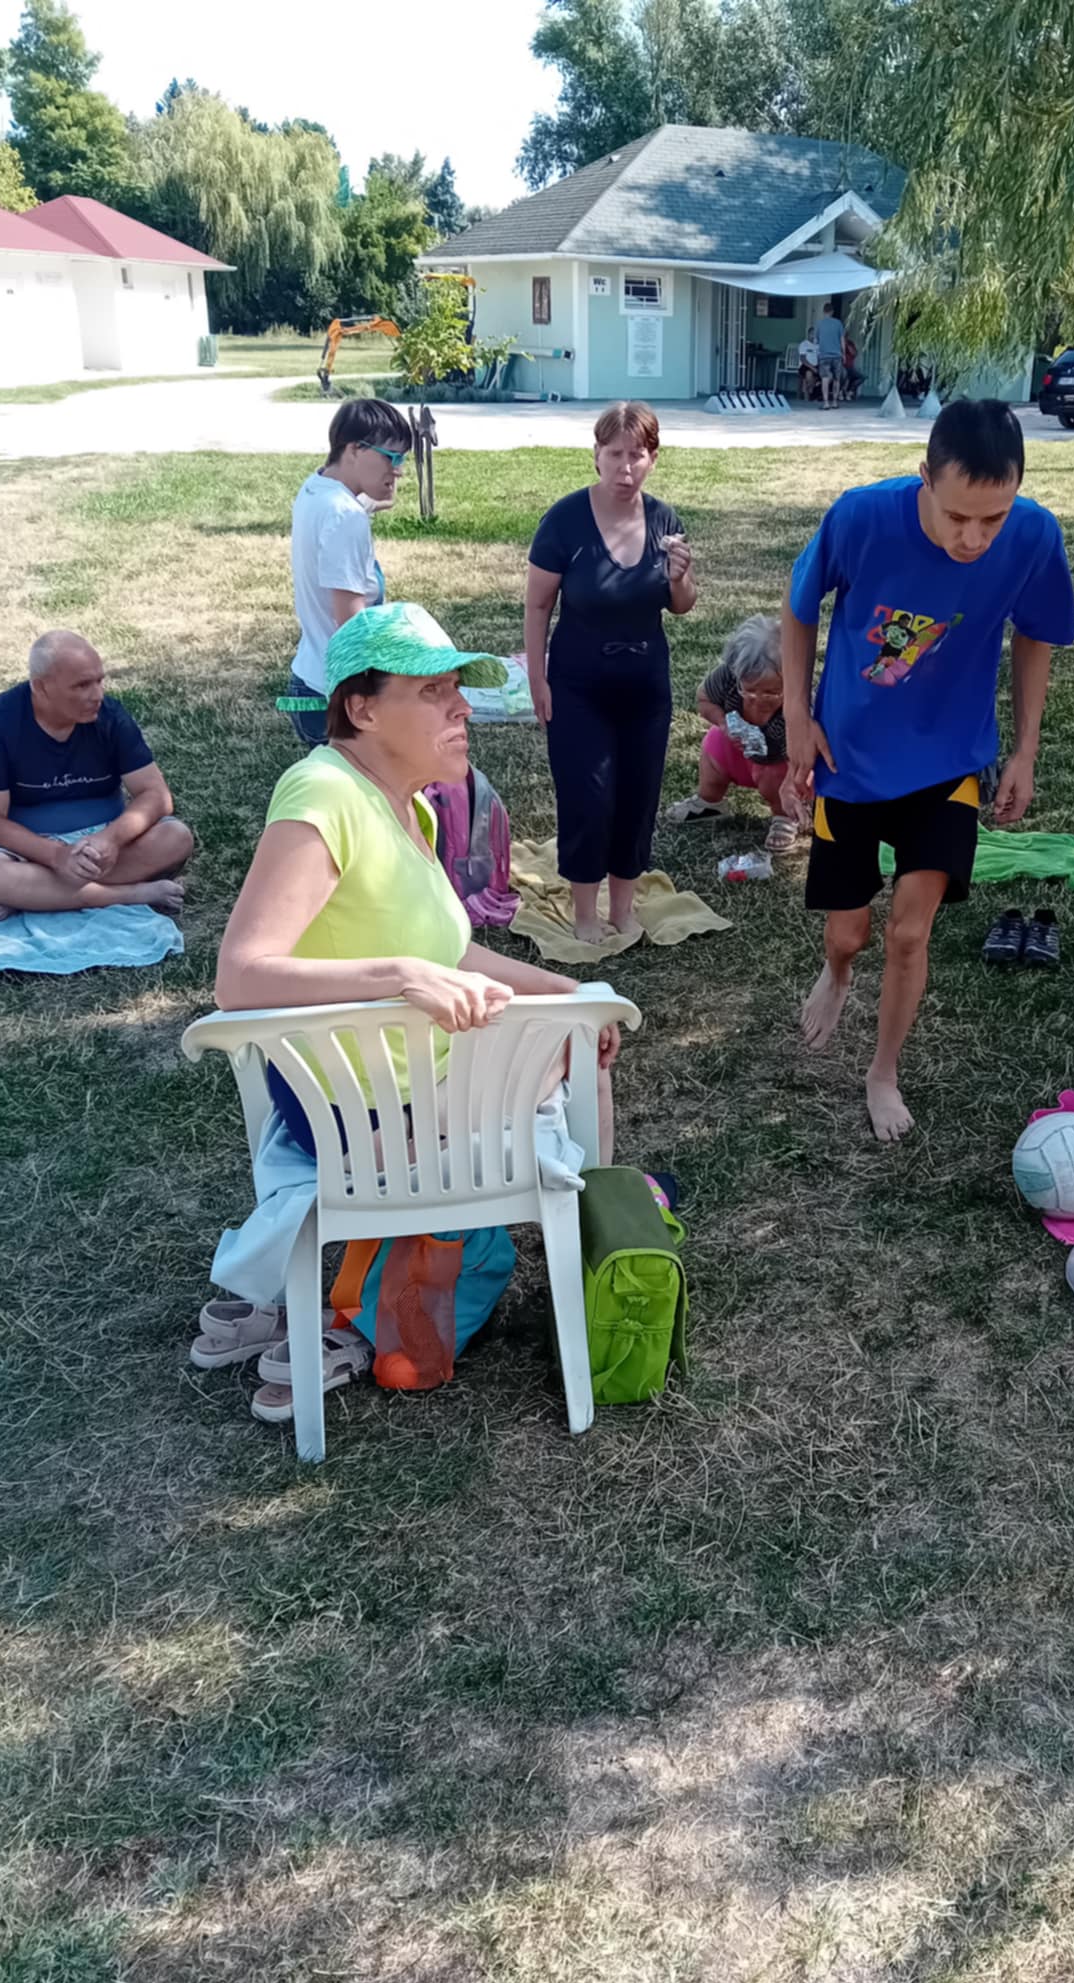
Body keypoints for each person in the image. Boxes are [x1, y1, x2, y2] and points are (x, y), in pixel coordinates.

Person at [217, 602, 623, 1417]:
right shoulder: (322, 791)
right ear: (362, 709)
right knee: (571, 1058)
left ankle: (335, 1301)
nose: (462, 707)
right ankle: (590, 1270)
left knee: (582, 1033)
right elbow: (240, 977)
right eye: (435, 690)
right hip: (358, 1113)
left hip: (417, 1087)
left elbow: (452, 954)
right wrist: (402, 975)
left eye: (458, 689)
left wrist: (570, 993)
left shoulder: (415, 805)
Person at [781, 399, 1074, 1143]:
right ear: (925, 478)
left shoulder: (1035, 535)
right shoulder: (860, 518)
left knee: (910, 933)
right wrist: (796, 715)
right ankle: (837, 973)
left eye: (993, 518)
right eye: (957, 517)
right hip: (850, 758)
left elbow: (1036, 636)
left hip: (950, 760)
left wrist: (1025, 750)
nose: (974, 538)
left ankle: (882, 1071)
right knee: (850, 934)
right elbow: (799, 608)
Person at [524, 402, 697, 946]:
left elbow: (682, 606)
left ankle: (623, 909)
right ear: (596, 454)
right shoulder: (565, 520)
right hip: (578, 685)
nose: (625, 467)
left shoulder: (664, 520)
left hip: (645, 687)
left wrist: (681, 577)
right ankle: (584, 912)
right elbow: (537, 605)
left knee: (637, 797)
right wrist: (537, 679)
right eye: (615, 454)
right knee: (587, 797)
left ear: (653, 458)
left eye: (636, 455)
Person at [0, 631, 192, 920]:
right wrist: (55, 856)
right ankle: (128, 894)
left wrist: (111, 839)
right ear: (41, 687)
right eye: (82, 685)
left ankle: (33, 894)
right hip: (26, 846)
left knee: (176, 837)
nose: (97, 695)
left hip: (101, 841)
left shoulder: (111, 716)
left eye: (99, 681)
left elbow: (157, 795)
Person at [286, 397, 412, 746]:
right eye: (391, 457)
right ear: (355, 449)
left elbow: (379, 500)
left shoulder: (316, 489)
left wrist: (385, 480)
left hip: (309, 679)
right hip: (338, 697)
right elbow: (350, 624)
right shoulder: (346, 517)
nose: (399, 470)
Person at [664, 613, 797, 853]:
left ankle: (784, 816)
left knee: (775, 777)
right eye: (750, 690)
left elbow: (806, 744)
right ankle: (709, 801)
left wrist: (793, 780)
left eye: (772, 692)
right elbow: (703, 700)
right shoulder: (727, 678)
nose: (758, 699)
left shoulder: (798, 697)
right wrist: (724, 724)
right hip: (737, 750)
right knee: (713, 744)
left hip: (783, 758)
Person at [814, 302, 846, 410]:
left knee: (825, 378)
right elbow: (842, 340)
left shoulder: (819, 324)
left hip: (824, 355)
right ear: (832, 312)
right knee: (837, 379)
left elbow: (816, 340)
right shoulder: (838, 323)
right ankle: (835, 402)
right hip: (837, 355)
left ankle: (826, 403)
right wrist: (844, 353)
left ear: (823, 311)